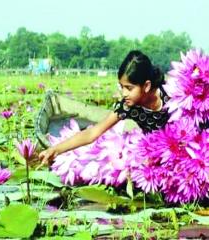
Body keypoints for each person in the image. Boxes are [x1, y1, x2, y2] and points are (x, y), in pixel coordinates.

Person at [38, 50, 170, 165]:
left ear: (146, 86)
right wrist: (55, 150)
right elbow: (92, 133)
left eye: (129, 88)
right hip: (154, 152)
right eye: (121, 87)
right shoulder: (127, 107)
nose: (124, 94)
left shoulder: (170, 95)